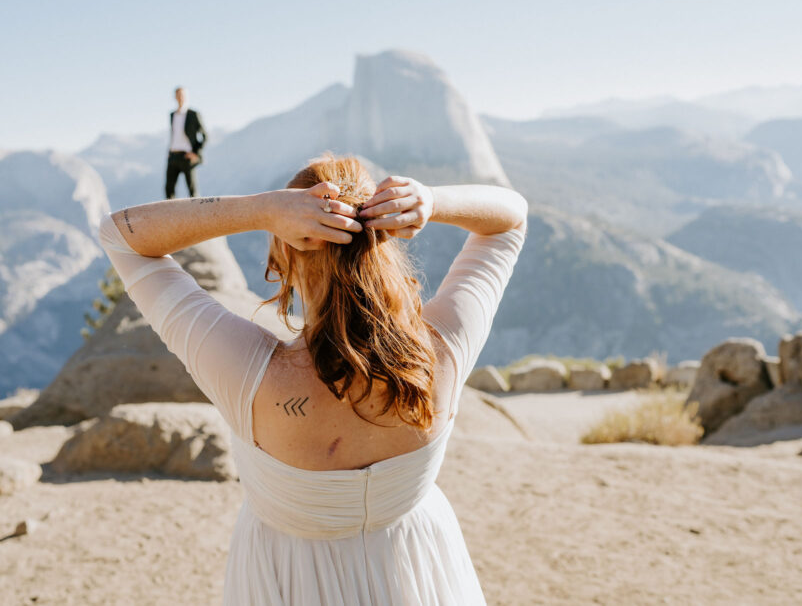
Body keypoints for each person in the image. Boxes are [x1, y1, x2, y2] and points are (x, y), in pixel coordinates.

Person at [99, 154, 527, 605]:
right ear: (386, 241)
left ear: (282, 252)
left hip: (288, 580)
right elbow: (509, 219)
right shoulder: (444, 348)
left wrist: (261, 209)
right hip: (419, 570)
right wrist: (430, 201)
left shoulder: (247, 373)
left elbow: (121, 235)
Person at [164, 86, 208, 199]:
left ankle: (197, 215)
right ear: (175, 97)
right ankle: (170, 215)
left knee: (192, 190)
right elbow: (174, 134)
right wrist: (169, 152)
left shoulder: (193, 114)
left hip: (187, 156)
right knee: (169, 189)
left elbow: (205, 136)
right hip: (173, 155)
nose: (180, 97)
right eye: (178, 95)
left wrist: (196, 153)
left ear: (186, 97)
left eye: (182, 95)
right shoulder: (172, 115)